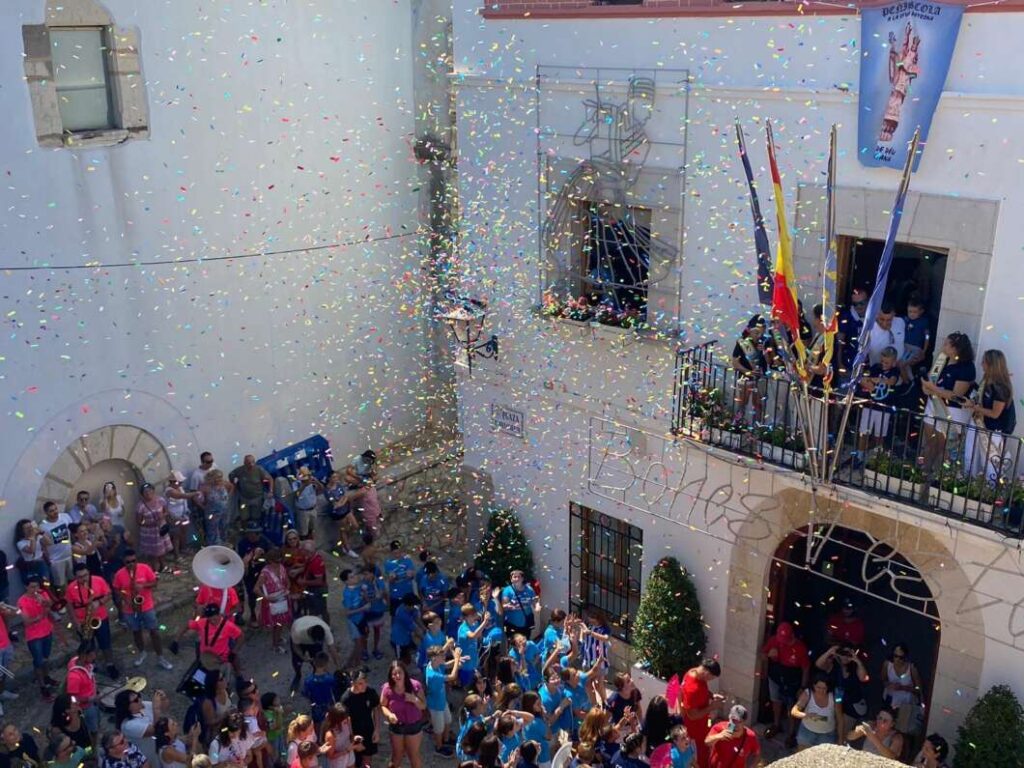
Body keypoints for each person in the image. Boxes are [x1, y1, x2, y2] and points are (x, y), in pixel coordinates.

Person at [919, 332, 976, 480]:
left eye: (946, 344)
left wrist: (933, 388)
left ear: (956, 349)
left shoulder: (966, 367)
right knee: (930, 442)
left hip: (951, 411)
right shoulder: (942, 360)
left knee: (945, 447)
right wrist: (927, 387)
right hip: (932, 404)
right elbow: (929, 382)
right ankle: (923, 473)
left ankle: (943, 479)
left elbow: (956, 395)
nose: (943, 346)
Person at [112, 549, 174, 670]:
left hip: (146, 606)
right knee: (136, 632)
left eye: (133, 561)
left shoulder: (145, 568)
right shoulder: (119, 574)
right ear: (124, 562)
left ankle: (160, 657)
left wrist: (143, 585)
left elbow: (155, 583)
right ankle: (142, 653)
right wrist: (126, 599)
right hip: (130, 608)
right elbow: (116, 589)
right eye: (128, 562)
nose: (131, 564)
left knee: (154, 632)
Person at [964, 349, 1017, 483]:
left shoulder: (1001, 388)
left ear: (992, 364)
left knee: (990, 466)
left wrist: (976, 408)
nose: (981, 364)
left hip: (991, 431)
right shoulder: (985, 382)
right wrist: (971, 403)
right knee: (970, 458)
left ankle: (990, 491)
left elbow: (995, 413)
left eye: (984, 362)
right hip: (977, 424)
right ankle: (967, 485)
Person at [761, 622, 809, 745]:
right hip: (775, 677)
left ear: (792, 635)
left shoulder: (800, 648)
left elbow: (805, 668)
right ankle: (776, 725)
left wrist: (803, 687)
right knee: (776, 702)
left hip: (791, 680)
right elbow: (763, 654)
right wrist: (769, 656)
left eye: (785, 639)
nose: (782, 642)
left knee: (791, 706)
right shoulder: (774, 640)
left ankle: (791, 733)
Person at [852, 346, 901, 467]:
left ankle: (876, 459)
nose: (883, 364)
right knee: (863, 432)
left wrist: (880, 380)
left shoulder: (895, 371)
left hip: (884, 408)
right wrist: (870, 382)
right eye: (882, 361)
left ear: (893, 362)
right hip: (870, 405)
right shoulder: (875, 368)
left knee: (879, 435)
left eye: (887, 362)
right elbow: (864, 378)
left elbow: (892, 381)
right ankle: (859, 456)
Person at [379, 661, 427, 768]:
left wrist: (414, 699)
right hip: (397, 726)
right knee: (397, 756)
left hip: (413, 726)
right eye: (394, 674)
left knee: (413, 755)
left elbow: (423, 705)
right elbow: (382, 706)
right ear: (391, 676)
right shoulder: (387, 688)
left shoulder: (415, 685)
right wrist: (389, 715)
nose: (397, 676)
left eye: (399, 672)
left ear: (405, 673)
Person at [677, 658, 723, 768]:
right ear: (706, 672)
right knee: (700, 758)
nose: (710, 680)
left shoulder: (692, 672)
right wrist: (712, 707)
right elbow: (692, 715)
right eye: (711, 678)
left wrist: (711, 695)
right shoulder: (693, 689)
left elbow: (702, 690)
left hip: (703, 725)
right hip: (695, 732)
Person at [17, 574, 57, 698]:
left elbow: (51, 605)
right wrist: (39, 617)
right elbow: (26, 621)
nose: (35, 590)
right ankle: (42, 686)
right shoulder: (22, 601)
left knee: (46, 658)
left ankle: (47, 677)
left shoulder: (42, 594)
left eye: (37, 586)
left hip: (47, 630)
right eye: (32, 587)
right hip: (34, 636)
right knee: (38, 661)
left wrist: (45, 602)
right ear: (26, 587)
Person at [178, 604, 244, 675]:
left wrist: (234, 652)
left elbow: (241, 636)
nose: (212, 620)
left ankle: (239, 675)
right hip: (205, 657)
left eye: (214, 618)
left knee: (219, 678)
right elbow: (188, 625)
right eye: (209, 618)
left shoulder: (228, 626)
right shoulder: (202, 622)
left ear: (219, 615)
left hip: (220, 659)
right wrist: (176, 640)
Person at [731, 315, 773, 426]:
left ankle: (756, 429)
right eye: (756, 332)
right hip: (745, 378)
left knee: (758, 405)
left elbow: (769, 362)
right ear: (750, 330)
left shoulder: (765, 341)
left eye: (761, 332)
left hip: (761, 378)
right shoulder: (743, 342)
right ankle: (737, 425)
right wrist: (747, 371)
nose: (759, 335)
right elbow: (735, 362)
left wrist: (764, 351)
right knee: (742, 403)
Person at [426, 645, 465, 756]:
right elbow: (452, 676)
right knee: (438, 729)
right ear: (434, 658)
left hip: (442, 701)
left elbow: (446, 664)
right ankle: (439, 747)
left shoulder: (433, 664)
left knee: (448, 720)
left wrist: (458, 660)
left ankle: (446, 739)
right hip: (436, 706)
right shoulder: (433, 675)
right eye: (441, 656)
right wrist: (456, 659)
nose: (444, 657)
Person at [815, 645, 869, 723]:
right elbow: (818, 664)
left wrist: (857, 660)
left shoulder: (856, 668)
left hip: (852, 705)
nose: (845, 657)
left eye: (848, 654)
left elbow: (863, 678)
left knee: (842, 726)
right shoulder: (833, 666)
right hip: (837, 702)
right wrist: (830, 651)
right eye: (843, 653)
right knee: (827, 722)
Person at [881, 642, 924, 737]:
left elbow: (919, 689)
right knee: (887, 728)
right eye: (895, 656)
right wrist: (889, 685)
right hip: (890, 701)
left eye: (901, 657)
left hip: (906, 705)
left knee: (902, 732)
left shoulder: (911, 668)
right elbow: (883, 680)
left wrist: (903, 687)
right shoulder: (887, 664)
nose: (898, 659)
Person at [289, 616, 341, 693]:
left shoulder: (326, 630)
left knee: (318, 659)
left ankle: (317, 675)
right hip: (300, 639)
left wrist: (338, 668)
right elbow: (295, 647)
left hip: (313, 637)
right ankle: (298, 675)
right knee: (297, 660)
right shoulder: (297, 632)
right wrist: (303, 657)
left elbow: (332, 649)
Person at [255, 548, 292, 653]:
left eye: (280, 560)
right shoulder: (264, 573)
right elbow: (256, 589)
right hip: (272, 602)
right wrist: (266, 597)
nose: (278, 563)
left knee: (281, 623)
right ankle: (275, 646)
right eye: (276, 561)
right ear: (270, 561)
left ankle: (278, 638)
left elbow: (287, 581)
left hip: (283, 599)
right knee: (277, 624)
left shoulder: (281, 567)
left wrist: (287, 588)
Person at [65, 640, 101, 745]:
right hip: (85, 708)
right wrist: (90, 699)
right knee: (92, 729)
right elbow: (73, 697)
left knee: (95, 724)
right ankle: (93, 746)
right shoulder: (74, 677)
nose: (94, 657)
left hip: (92, 702)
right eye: (92, 655)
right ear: (84, 655)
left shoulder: (79, 661)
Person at [341, 672, 380, 768]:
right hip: (354, 732)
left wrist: (377, 730)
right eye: (360, 683)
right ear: (353, 683)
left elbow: (376, 709)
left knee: (367, 761)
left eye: (365, 682)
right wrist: (352, 737)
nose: (364, 685)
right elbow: (346, 720)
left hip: (368, 729)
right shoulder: (346, 698)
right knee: (354, 762)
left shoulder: (370, 692)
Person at [237, 521, 272, 626]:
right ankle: (253, 614)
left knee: (266, 592)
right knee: (251, 594)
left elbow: (273, 552)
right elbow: (242, 559)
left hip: (263, 571)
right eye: (250, 533)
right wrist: (251, 555)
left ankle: (267, 615)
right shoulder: (242, 543)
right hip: (250, 573)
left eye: (255, 533)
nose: (253, 536)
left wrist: (264, 554)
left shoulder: (264, 541)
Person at [790, 676, 840, 749]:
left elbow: (840, 718)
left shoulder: (836, 696)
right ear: (813, 685)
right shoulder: (807, 693)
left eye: (824, 688)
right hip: (807, 732)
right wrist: (806, 715)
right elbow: (794, 711)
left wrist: (840, 739)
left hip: (827, 735)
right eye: (818, 687)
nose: (821, 690)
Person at [136, 484, 173, 573]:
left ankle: (163, 566)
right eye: (145, 492)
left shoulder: (160, 500)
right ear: (142, 494)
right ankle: (154, 570)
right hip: (149, 532)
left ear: (153, 491)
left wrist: (163, 516)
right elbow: (139, 521)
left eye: (149, 490)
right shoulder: (140, 506)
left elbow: (166, 511)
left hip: (161, 529)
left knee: (162, 549)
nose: (148, 493)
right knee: (153, 553)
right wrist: (149, 523)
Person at [39, 500, 75, 590]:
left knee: (73, 579)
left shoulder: (65, 517)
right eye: (51, 511)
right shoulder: (43, 526)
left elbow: (72, 531)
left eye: (55, 509)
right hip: (56, 559)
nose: (55, 512)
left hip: (69, 555)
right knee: (60, 585)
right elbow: (43, 545)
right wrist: (49, 559)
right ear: (46, 513)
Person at [340, 568, 370, 670]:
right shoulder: (347, 594)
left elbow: (366, 600)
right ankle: (352, 664)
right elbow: (347, 612)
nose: (355, 577)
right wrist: (363, 608)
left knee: (360, 643)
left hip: (361, 618)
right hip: (353, 621)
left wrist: (365, 593)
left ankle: (354, 663)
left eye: (354, 575)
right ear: (346, 581)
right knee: (358, 644)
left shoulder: (358, 587)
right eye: (352, 577)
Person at [229, 455, 272, 526]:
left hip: (257, 497)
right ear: (245, 463)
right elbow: (231, 475)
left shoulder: (259, 470)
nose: (251, 465)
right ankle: (244, 527)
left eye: (253, 462)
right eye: (249, 463)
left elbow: (270, 479)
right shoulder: (239, 470)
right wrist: (234, 484)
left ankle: (255, 527)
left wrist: (271, 491)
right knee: (244, 516)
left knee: (256, 516)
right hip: (244, 498)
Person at [164, 471, 199, 559]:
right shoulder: (169, 491)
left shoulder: (180, 488)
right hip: (174, 516)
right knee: (176, 535)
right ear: (172, 482)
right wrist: (196, 493)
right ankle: (177, 555)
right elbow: (183, 496)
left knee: (183, 533)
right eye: (178, 482)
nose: (180, 484)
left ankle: (184, 548)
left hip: (184, 514)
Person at [457, 604, 492, 688]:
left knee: (476, 687)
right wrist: (484, 622)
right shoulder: (463, 628)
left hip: (474, 662)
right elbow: (473, 636)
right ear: (466, 617)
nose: (475, 616)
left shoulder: (475, 624)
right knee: (467, 688)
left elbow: (479, 635)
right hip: (465, 666)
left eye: (475, 614)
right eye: (473, 615)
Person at [837, 287, 869, 379]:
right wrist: (840, 364)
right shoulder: (846, 317)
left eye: (861, 303)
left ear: (868, 301)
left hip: (869, 369)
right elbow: (839, 343)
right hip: (849, 367)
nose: (858, 306)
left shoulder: (875, 316)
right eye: (855, 304)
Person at [197, 470, 232, 547]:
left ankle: (224, 542)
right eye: (217, 477)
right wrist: (203, 507)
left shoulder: (224, 484)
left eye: (220, 477)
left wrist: (227, 498)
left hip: (224, 511)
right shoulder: (206, 487)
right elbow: (197, 498)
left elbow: (231, 487)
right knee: (213, 529)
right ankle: (214, 545)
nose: (219, 479)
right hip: (212, 512)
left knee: (224, 527)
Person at [301, 652, 337, 728]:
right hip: (328, 705)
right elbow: (335, 691)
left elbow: (306, 694)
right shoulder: (330, 679)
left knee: (317, 724)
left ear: (314, 663)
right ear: (326, 664)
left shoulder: (308, 680)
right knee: (330, 723)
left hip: (316, 706)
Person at [297, 539, 329, 622]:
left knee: (319, 610)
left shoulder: (316, 563)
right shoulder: (311, 557)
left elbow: (319, 581)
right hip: (313, 589)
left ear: (307, 552)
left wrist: (303, 582)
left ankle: (322, 625)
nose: (301, 551)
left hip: (318, 591)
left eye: (302, 550)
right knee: (316, 609)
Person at [501, 570, 539, 638]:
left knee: (525, 640)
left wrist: (537, 606)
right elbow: (504, 606)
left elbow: (535, 601)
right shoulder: (507, 590)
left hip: (526, 623)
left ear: (522, 578)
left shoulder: (529, 589)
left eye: (519, 577)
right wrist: (512, 607)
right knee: (512, 642)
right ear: (511, 579)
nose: (517, 579)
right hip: (512, 624)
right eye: (515, 577)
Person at [384, 541, 416, 615]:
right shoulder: (388, 563)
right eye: (395, 553)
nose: (397, 555)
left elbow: (412, 576)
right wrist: (392, 578)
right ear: (391, 552)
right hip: (395, 595)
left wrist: (411, 575)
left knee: (411, 614)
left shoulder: (407, 560)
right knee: (395, 615)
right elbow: (389, 581)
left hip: (408, 593)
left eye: (399, 552)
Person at [14, 519, 48, 584]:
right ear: (22, 531)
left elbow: (49, 542)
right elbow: (31, 550)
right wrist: (32, 538)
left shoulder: (37, 537)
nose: (30, 529)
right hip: (30, 565)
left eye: (30, 527)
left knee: (46, 582)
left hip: (41, 562)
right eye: (27, 528)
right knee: (34, 583)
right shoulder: (20, 543)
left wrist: (41, 533)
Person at [291, 467, 322, 540]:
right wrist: (304, 485)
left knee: (313, 528)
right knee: (304, 531)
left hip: (313, 509)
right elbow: (296, 495)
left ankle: (312, 541)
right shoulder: (296, 484)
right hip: (303, 511)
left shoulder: (312, 482)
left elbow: (321, 490)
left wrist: (317, 482)